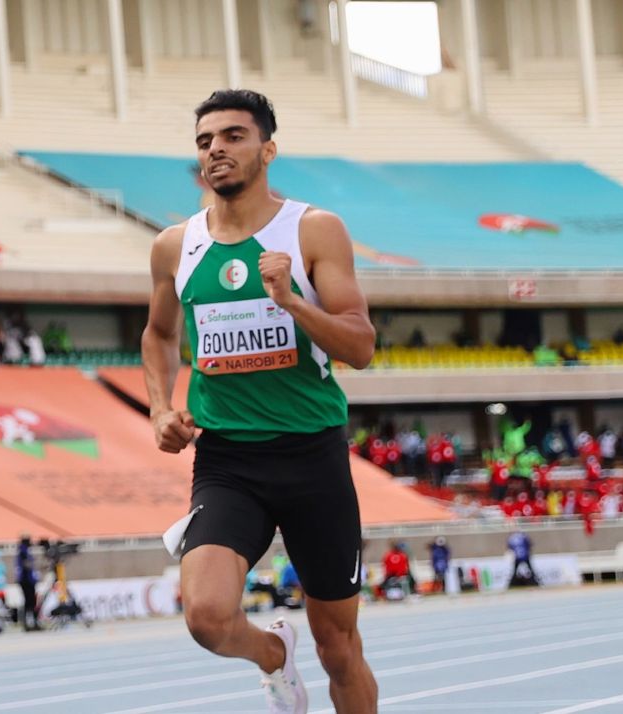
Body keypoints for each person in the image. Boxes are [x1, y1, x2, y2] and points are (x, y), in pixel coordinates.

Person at [144, 89, 380, 713]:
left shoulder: (312, 230)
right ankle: (273, 655)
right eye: (204, 141)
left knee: (338, 646)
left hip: (312, 460)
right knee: (207, 617)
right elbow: (159, 334)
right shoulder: (175, 245)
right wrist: (160, 409)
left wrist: (294, 303)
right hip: (228, 463)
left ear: (268, 148)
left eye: (232, 136)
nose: (216, 149)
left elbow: (360, 346)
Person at [14, 534, 41, 631]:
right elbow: (26, 565)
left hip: (27, 580)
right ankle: (30, 623)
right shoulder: (23, 551)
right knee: (30, 602)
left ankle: (31, 622)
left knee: (30, 602)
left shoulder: (24, 551)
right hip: (26, 580)